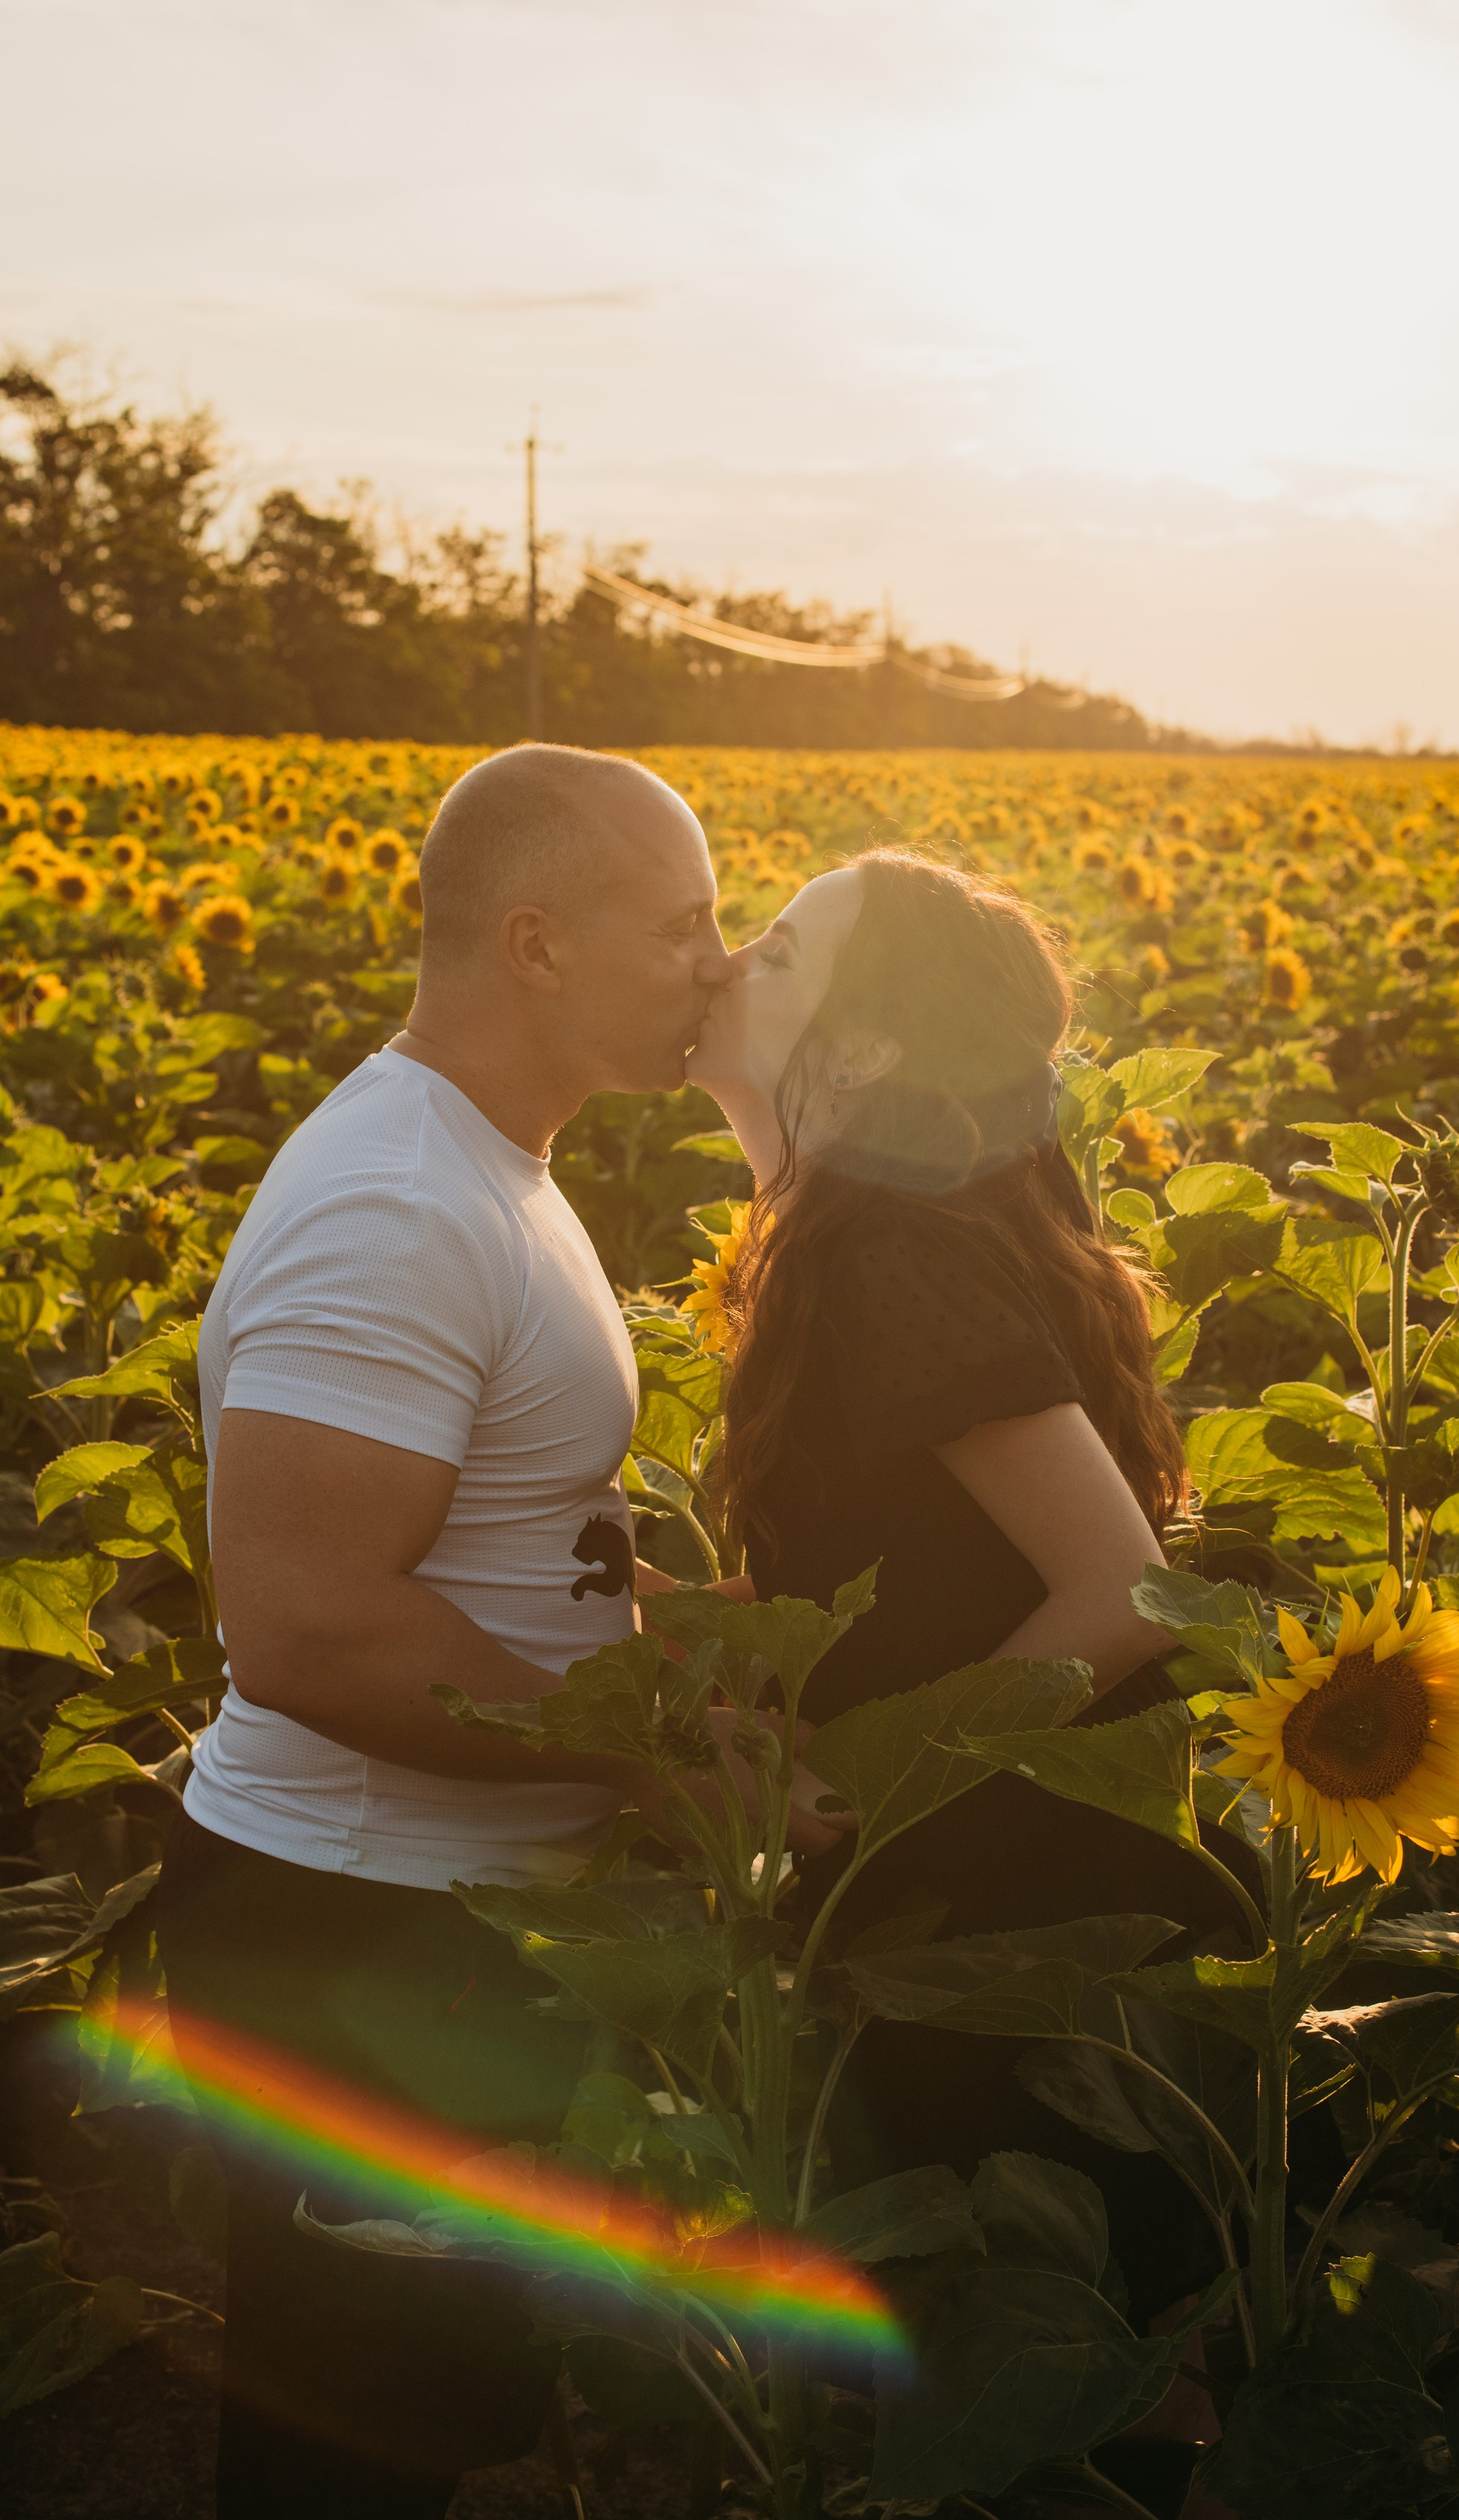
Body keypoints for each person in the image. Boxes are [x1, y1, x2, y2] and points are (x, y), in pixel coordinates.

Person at [154, 744, 837, 2520]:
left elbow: (540, 1547)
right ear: (534, 943)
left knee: (437, 2409)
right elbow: (309, 1624)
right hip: (358, 1927)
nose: (719, 960)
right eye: (682, 920)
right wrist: (659, 1759)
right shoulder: (396, 1201)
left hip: (437, 1914)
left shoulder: (492, 1166)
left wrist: (739, 1647)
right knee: (354, 2438)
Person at [685, 845, 1262, 2325]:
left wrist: (872, 1780)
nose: (728, 960)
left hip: (1030, 1897)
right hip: (992, 1876)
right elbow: (911, 1573)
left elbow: (1125, 1588)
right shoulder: (834, 1230)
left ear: (864, 1044)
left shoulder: (886, 1255)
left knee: (1036, 2348)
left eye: (778, 949)